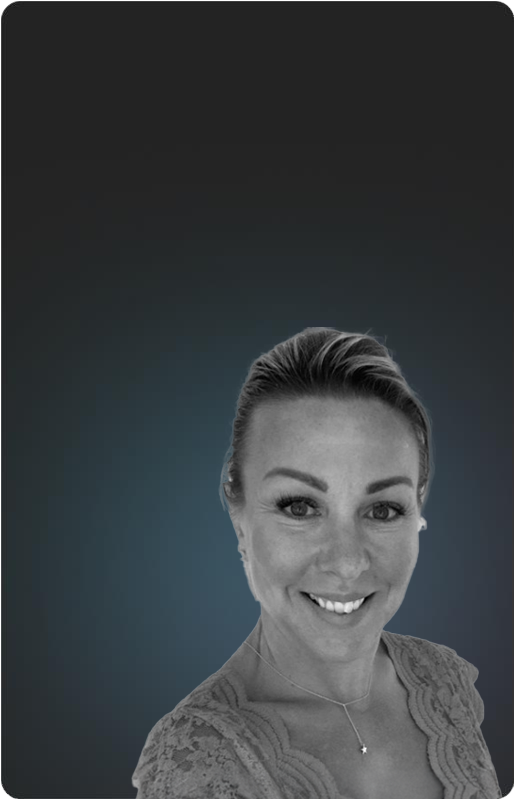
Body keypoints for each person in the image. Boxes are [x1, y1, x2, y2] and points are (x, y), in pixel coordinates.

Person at [132, 327, 501, 799]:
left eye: (383, 510)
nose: (347, 563)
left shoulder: (444, 680)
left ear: (418, 512)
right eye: (299, 507)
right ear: (239, 519)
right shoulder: (196, 763)